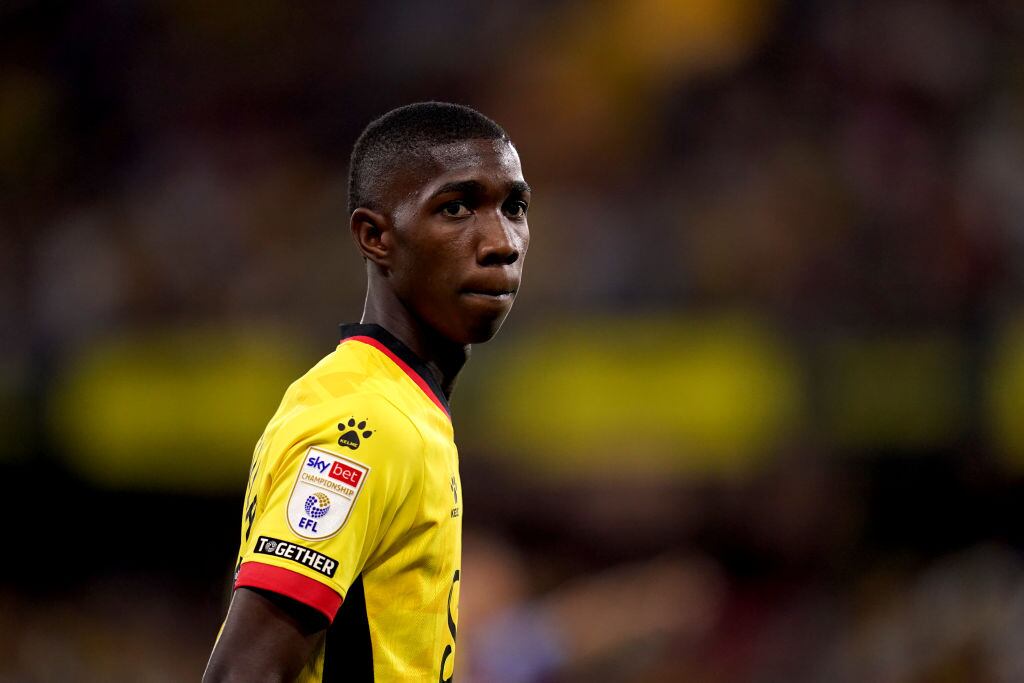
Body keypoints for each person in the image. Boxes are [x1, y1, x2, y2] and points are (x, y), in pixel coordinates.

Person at [203, 102, 531, 682]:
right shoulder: (363, 419)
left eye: (514, 207)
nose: (501, 241)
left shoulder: (400, 405)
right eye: (456, 208)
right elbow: (244, 671)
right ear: (375, 237)